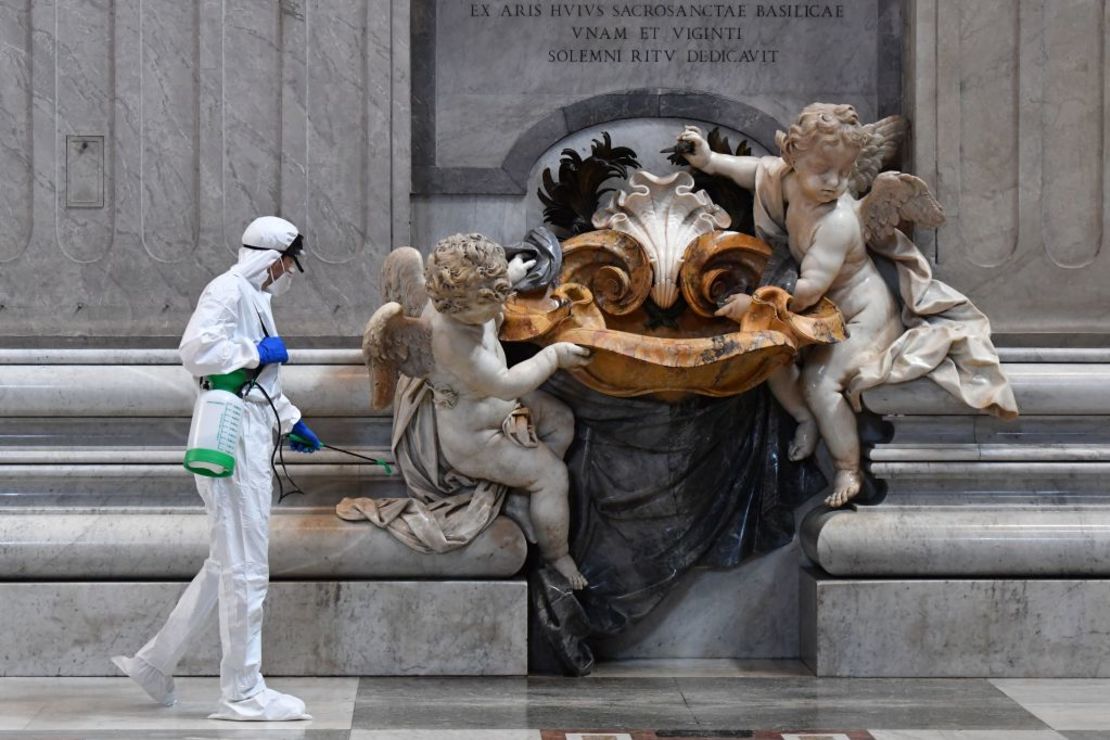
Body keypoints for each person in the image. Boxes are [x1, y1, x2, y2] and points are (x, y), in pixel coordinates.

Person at [112, 216, 322, 721]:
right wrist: (255, 351)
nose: (289, 272)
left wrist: (291, 420)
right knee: (247, 566)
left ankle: (153, 663)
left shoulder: (256, 298)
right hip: (231, 439)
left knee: (226, 563)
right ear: (272, 259)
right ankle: (243, 693)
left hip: (249, 431)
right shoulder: (227, 291)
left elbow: (261, 383)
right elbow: (197, 352)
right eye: (289, 262)